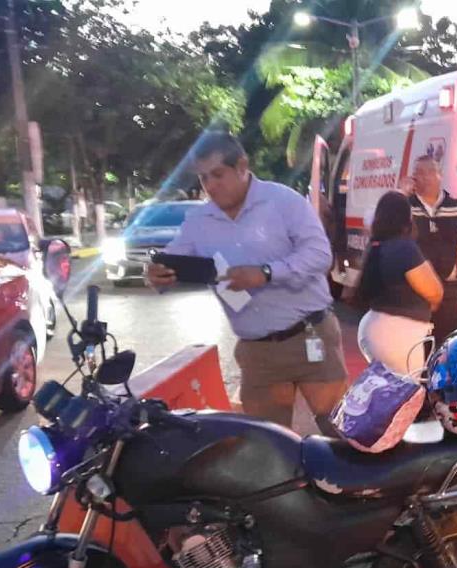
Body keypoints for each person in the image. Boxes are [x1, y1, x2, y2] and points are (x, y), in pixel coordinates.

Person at [146, 132, 347, 431]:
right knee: (267, 446)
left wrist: (266, 273)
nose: (210, 186)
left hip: (309, 337)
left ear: (242, 166)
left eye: (218, 174)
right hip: (257, 354)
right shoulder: (199, 222)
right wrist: (156, 275)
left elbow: (320, 256)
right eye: (203, 179)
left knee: (339, 433)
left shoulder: (283, 201)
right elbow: (170, 263)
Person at [356, 191, 444, 375]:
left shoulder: (375, 246)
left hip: (374, 328)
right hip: (398, 337)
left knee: (382, 393)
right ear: (406, 218)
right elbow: (435, 292)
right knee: (405, 398)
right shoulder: (404, 248)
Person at [406, 155, 457, 343]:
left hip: (447, 292)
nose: (424, 177)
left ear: (439, 175)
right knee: (415, 350)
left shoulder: (456, 208)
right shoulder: (405, 206)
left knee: (445, 347)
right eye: (418, 173)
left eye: (429, 172)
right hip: (414, 291)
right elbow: (376, 222)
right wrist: (400, 194)